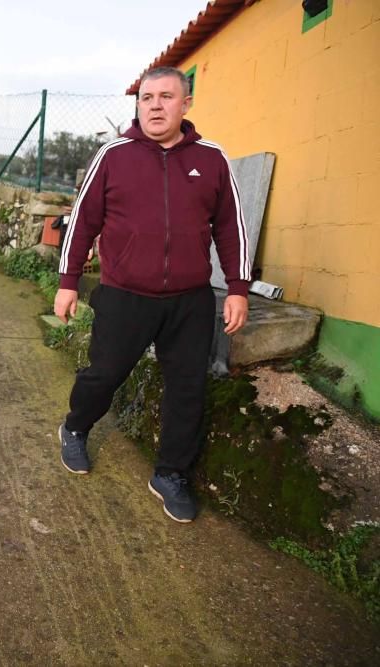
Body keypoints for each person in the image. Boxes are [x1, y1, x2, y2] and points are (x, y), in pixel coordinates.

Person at [54, 66, 250, 523]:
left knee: (187, 389)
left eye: (166, 96)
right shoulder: (113, 156)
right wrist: (67, 282)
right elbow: (83, 221)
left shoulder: (213, 159)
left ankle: (170, 473)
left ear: (186, 104)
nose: (155, 105)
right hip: (125, 295)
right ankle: (76, 427)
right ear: (137, 104)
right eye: (146, 98)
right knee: (103, 375)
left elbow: (230, 228)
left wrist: (238, 288)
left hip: (190, 299)